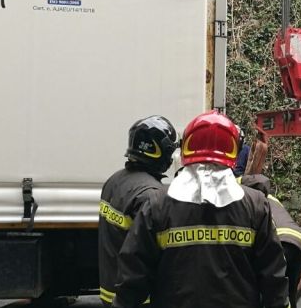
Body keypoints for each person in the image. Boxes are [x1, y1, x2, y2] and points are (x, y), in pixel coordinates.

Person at [112, 110, 289, 308]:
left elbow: (132, 278)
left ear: (186, 148)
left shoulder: (157, 204)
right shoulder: (255, 205)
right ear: (234, 150)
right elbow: (274, 279)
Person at [98, 115, 177, 306]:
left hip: (110, 291)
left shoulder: (114, 180)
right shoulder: (151, 195)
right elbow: (147, 255)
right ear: (161, 152)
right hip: (138, 299)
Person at [241, 174, 301, 308]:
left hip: (280, 242)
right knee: (289, 294)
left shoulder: (250, 202)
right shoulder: (271, 198)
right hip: (300, 245)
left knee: (269, 292)